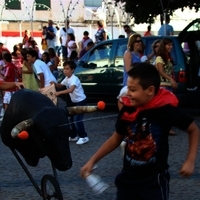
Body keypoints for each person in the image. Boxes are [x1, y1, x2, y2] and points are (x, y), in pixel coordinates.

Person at [80, 62, 200, 200]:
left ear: (150, 90)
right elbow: (115, 139)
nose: (128, 94)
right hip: (128, 178)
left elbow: (194, 130)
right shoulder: (127, 108)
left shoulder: (166, 110)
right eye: (127, 88)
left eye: (132, 89)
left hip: (153, 181)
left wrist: (190, 161)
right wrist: (92, 161)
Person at [52, 60, 89, 145]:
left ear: (72, 70)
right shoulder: (67, 78)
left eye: (67, 69)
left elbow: (71, 89)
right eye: (64, 69)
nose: (65, 70)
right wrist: (54, 83)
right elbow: (60, 85)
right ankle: (73, 135)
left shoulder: (74, 79)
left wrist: (59, 93)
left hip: (81, 101)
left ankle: (83, 136)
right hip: (74, 102)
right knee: (72, 118)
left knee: (77, 119)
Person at [0, 53, 18, 120]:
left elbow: (4, 78)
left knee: (6, 103)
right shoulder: (13, 66)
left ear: (5, 59)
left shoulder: (8, 67)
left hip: (9, 88)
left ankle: (7, 117)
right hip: (12, 87)